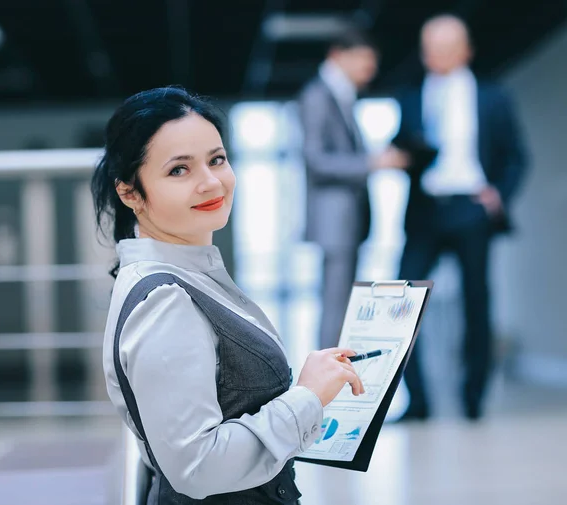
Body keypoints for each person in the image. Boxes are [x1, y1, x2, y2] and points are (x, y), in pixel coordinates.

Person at [91, 86, 366, 504]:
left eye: (216, 159)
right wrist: (307, 397)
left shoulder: (189, 276)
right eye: (179, 170)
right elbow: (197, 467)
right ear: (130, 192)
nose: (210, 182)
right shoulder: (165, 301)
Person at [392, 15, 528, 421]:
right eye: (429, 48)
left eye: (445, 48)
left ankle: (474, 398)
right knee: (403, 303)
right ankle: (418, 401)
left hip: (471, 209)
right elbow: (401, 147)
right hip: (425, 210)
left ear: (465, 50)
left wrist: (497, 195)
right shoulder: (411, 96)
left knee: (477, 303)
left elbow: (517, 157)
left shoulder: (493, 96)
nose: (436, 56)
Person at [297, 30, 409, 351]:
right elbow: (316, 161)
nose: (369, 70)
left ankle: (335, 382)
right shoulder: (318, 95)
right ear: (338, 55)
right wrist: (372, 162)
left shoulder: (341, 95)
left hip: (348, 219)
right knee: (335, 308)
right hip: (335, 220)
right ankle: (326, 388)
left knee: (343, 307)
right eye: (364, 60)